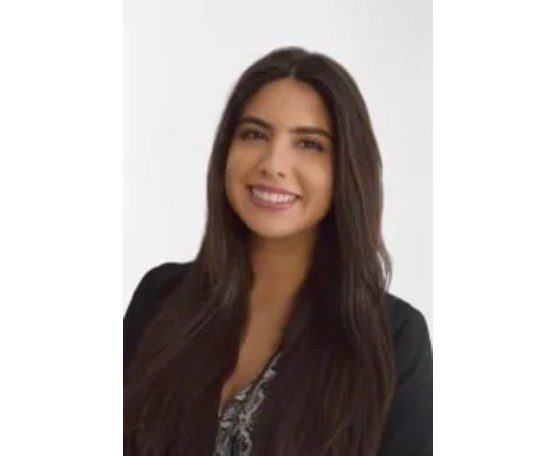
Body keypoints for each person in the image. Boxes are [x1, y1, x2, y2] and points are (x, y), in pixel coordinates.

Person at [124, 46, 432, 455]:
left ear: (346, 169)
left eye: (309, 144)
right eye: (255, 134)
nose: (273, 163)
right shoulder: (161, 296)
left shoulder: (392, 339)